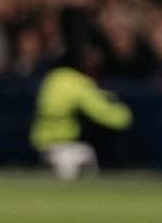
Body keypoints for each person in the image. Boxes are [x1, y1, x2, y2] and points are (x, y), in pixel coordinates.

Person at [29, 50, 133, 179]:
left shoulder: (53, 77)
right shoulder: (77, 82)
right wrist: (125, 115)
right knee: (88, 155)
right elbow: (104, 113)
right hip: (62, 146)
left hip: (40, 143)